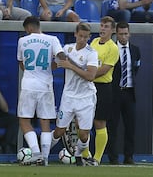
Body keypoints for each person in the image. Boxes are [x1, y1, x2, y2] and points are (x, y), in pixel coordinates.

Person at [17, 16, 66, 166]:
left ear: (29, 28)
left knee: (25, 120)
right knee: (45, 122)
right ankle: (44, 157)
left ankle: (36, 153)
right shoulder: (52, 39)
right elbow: (61, 58)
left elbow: (21, 62)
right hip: (46, 85)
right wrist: (49, 68)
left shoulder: (22, 41)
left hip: (28, 85)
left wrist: (32, 73)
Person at [50, 22, 99, 166]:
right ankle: (42, 154)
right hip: (69, 97)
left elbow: (90, 76)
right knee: (59, 131)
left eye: (85, 37)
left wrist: (71, 66)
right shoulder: (67, 49)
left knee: (84, 135)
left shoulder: (91, 53)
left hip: (86, 98)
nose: (82, 39)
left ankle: (78, 155)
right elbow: (56, 64)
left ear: (89, 37)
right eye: (80, 36)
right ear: (75, 34)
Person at [80, 16, 119, 165]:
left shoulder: (113, 48)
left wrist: (83, 73)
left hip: (103, 88)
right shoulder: (94, 42)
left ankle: (97, 158)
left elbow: (103, 70)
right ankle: (85, 154)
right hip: (88, 86)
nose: (102, 28)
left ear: (112, 30)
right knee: (82, 121)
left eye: (106, 26)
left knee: (99, 122)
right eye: (102, 25)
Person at [107, 21, 141, 165]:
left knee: (130, 126)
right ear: (116, 34)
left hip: (129, 92)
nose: (123, 37)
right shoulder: (112, 49)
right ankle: (113, 157)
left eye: (126, 34)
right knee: (112, 126)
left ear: (129, 34)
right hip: (115, 92)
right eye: (121, 34)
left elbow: (136, 68)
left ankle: (129, 156)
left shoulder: (135, 50)